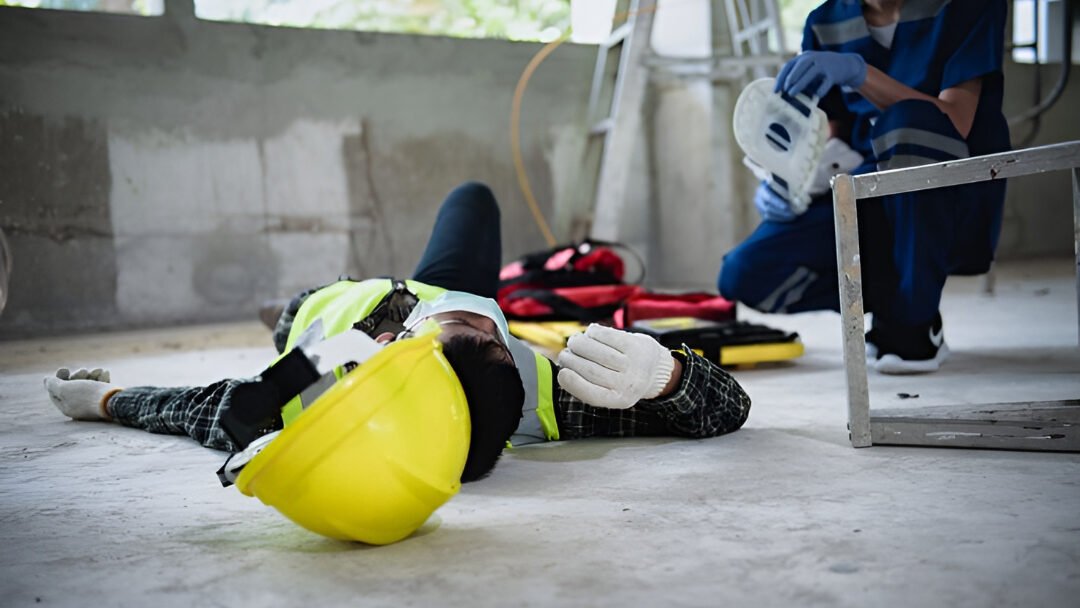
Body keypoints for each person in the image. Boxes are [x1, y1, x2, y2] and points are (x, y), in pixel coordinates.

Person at [45, 182, 752, 486]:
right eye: (485, 328)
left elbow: (201, 408)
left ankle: (273, 308)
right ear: (511, 354)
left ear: (391, 356)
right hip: (407, 287)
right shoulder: (544, 397)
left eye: (461, 323)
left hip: (323, 309)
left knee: (287, 312)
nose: (470, 314)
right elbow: (727, 409)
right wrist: (668, 378)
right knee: (472, 199)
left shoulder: (328, 380)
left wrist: (105, 400)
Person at [719, 0, 1010, 374]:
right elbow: (834, 138)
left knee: (905, 123)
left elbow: (956, 118)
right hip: (864, 195)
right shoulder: (825, 22)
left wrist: (860, 72)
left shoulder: (964, 8)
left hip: (946, 197)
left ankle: (913, 324)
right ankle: (895, 301)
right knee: (743, 273)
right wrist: (791, 183)